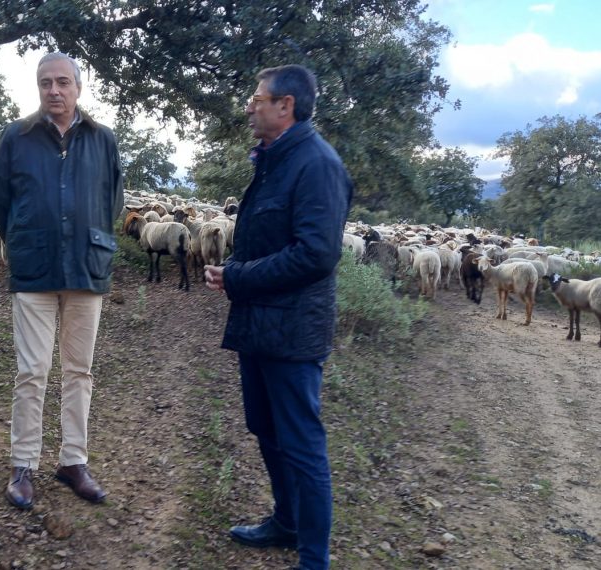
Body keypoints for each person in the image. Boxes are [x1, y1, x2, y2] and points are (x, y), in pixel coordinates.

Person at [203, 64, 352, 570]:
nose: (250, 104)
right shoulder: (274, 162)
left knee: (302, 444)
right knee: (267, 430)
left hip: (292, 332)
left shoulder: (317, 165)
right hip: (261, 325)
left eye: (257, 96)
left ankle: (314, 559)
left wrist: (238, 277)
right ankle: (286, 522)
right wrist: (237, 274)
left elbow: (316, 254)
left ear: (285, 105)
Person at [0, 52, 123, 511]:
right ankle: (23, 465)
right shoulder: (16, 137)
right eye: (46, 83)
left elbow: (113, 202)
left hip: (86, 270)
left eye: (63, 82)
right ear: (38, 88)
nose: (54, 90)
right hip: (35, 273)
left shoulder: (103, 140)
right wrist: (26, 240)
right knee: (32, 371)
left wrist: (90, 239)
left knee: (79, 371)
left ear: (79, 87)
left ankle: (73, 462)